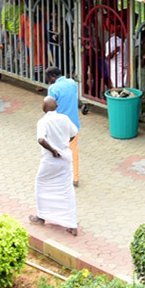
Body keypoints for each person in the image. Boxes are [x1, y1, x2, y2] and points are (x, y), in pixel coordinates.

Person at [30, 96, 79, 236]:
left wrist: (53, 150)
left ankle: (41, 217)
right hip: (65, 159)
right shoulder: (64, 118)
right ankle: (72, 224)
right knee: (66, 190)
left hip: (50, 160)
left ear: (44, 108)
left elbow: (41, 139)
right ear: (56, 106)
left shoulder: (43, 122)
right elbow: (74, 133)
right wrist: (63, 144)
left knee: (41, 185)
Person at [45, 67, 81, 187]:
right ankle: (75, 177)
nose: (48, 81)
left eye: (48, 79)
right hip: (73, 124)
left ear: (53, 77)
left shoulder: (53, 88)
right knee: (73, 150)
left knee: (57, 150)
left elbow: (50, 105)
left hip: (58, 126)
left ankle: (59, 175)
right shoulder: (71, 83)